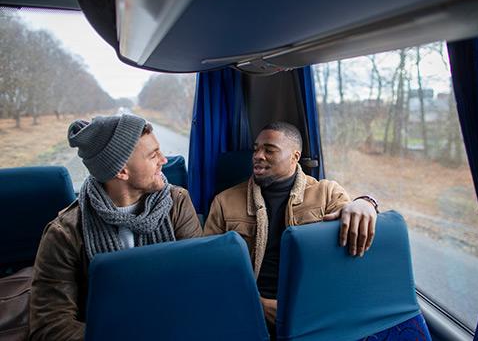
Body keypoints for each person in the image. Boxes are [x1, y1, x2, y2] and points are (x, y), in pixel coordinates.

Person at [29, 115, 202, 340]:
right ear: (121, 171)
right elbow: (50, 325)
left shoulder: (177, 203)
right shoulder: (64, 233)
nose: (164, 160)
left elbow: (199, 278)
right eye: (153, 155)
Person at [204, 121, 378, 332]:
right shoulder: (224, 202)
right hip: (247, 307)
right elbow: (209, 269)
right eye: (256, 148)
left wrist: (366, 202)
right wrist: (258, 304)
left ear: (295, 157)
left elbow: (353, 215)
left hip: (314, 309)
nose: (258, 155)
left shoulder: (326, 193)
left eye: (269, 150)